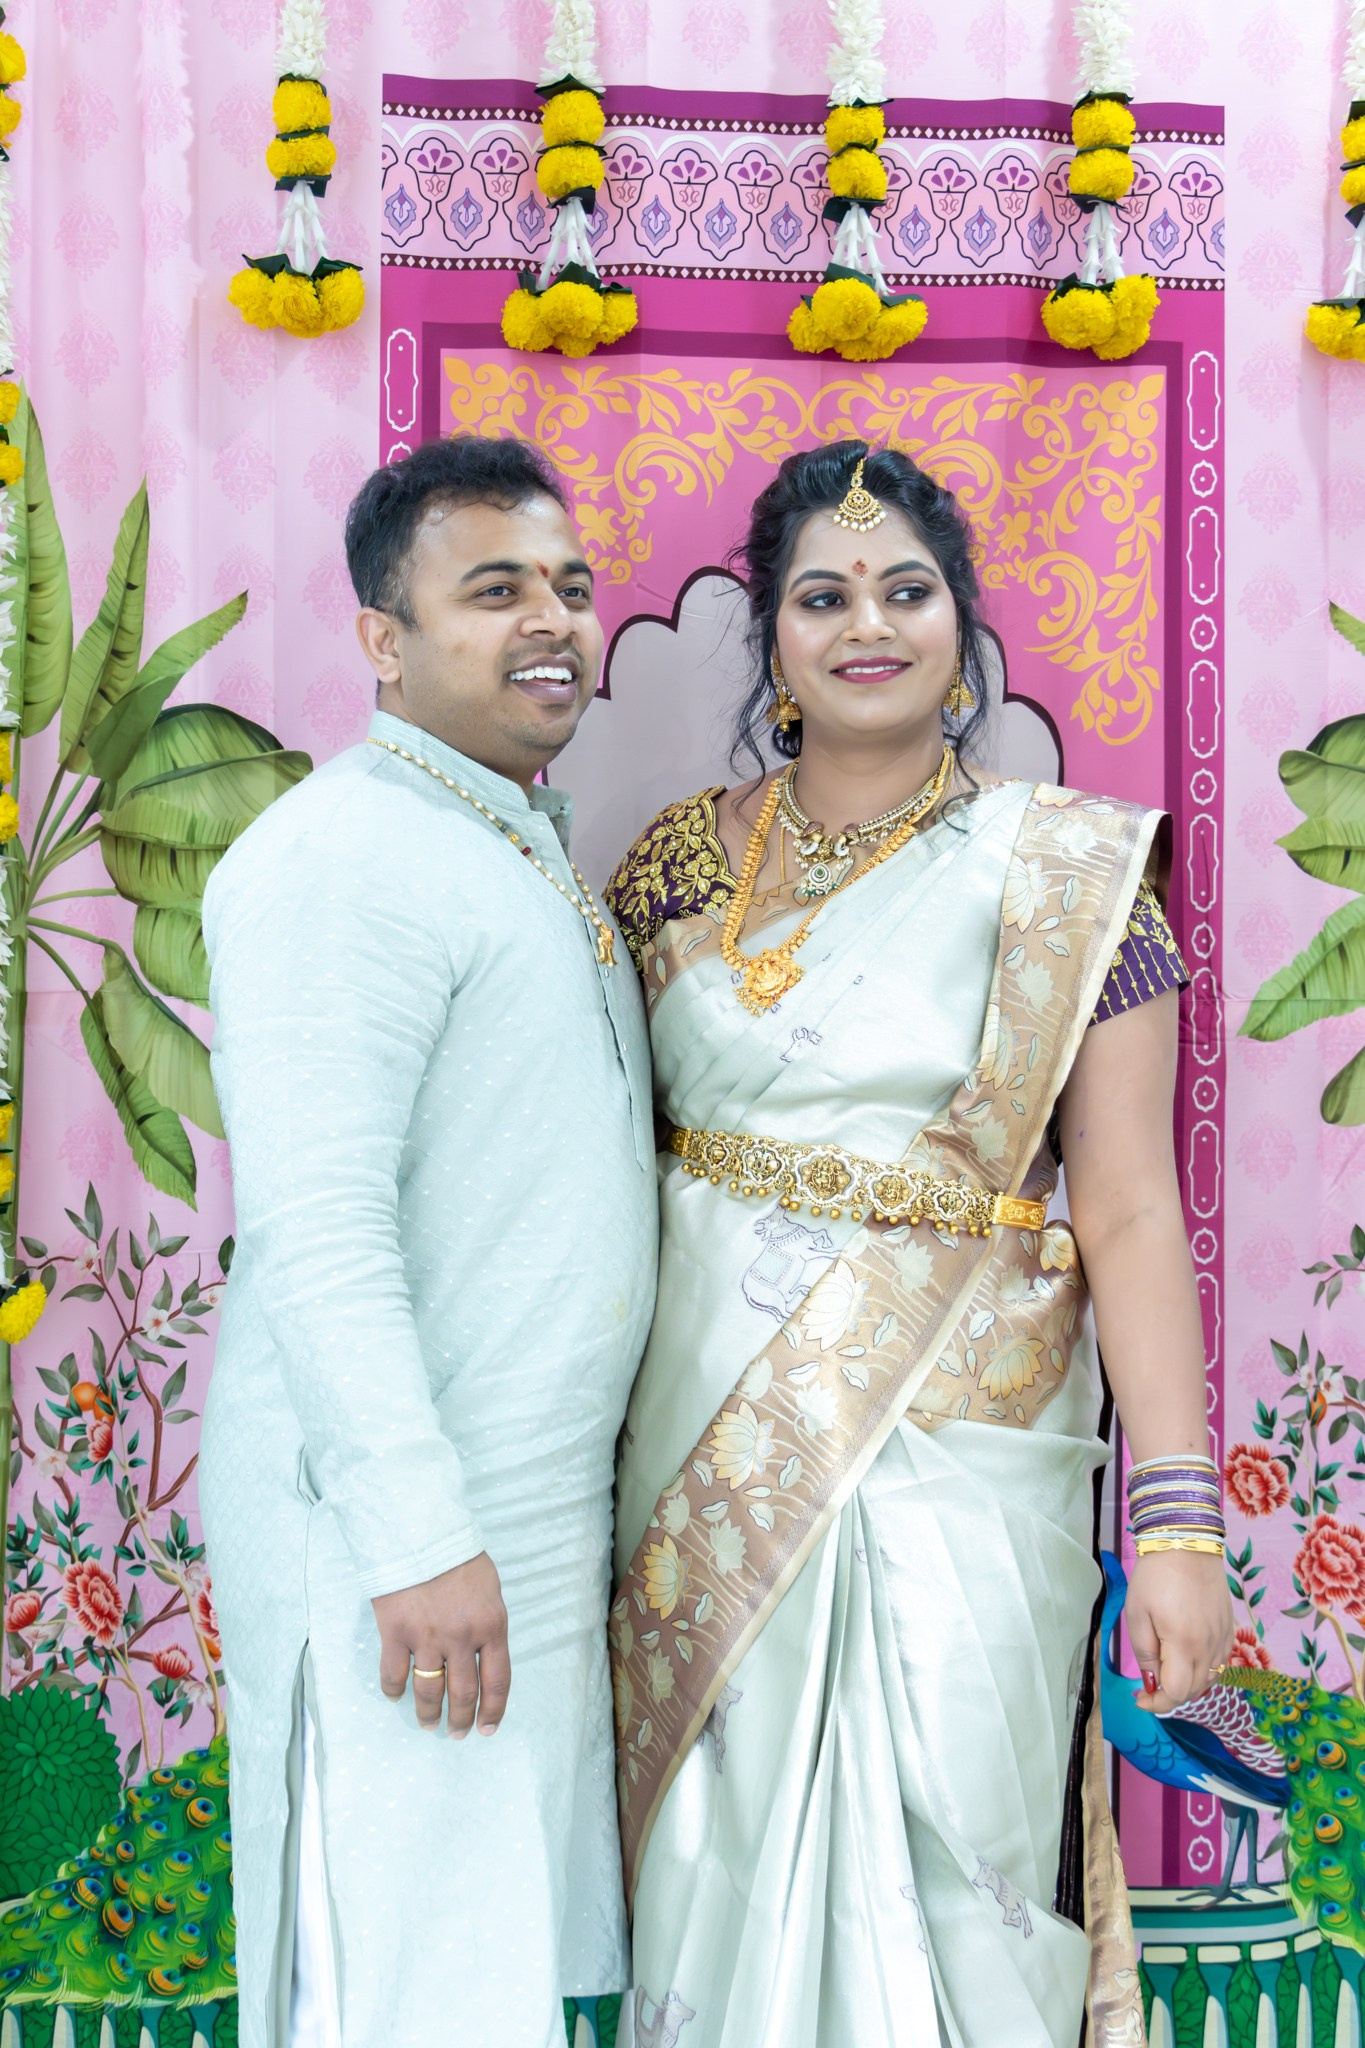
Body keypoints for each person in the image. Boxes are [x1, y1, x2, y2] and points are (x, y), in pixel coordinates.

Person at [603, 441, 1234, 2048]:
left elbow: (1128, 1208)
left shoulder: (1070, 878)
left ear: (961, 627)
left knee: (967, 1875)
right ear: (771, 635)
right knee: (713, 1875)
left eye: (905, 590)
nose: (866, 624)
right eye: (821, 596)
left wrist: (1176, 1525)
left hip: (963, 1450)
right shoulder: (669, 870)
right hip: (707, 1456)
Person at [199, 435, 657, 2048]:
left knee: (482, 1982)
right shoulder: (338, 858)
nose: (550, 621)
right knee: (404, 1995)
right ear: (383, 640)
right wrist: (412, 1539)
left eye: (569, 587)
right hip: (402, 1546)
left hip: (516, 1532)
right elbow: (315, 1231)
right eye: (493, 589)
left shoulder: (509, 843)